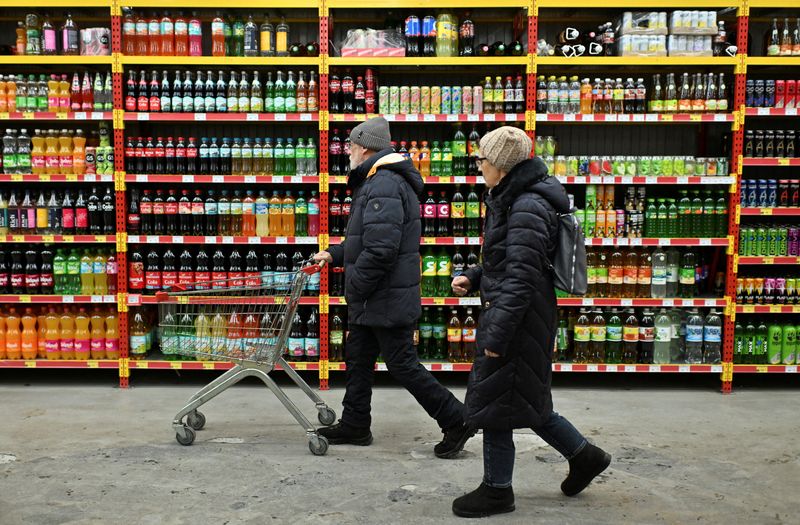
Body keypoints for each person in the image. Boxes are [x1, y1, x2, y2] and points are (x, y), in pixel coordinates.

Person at [450, 126, 611, 518]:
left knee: (496, 404)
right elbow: (509, 260)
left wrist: (497, 333)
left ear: (502, 165)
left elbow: (522, 278)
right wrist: (474, 275)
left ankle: (497, 491)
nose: (479, 166)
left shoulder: (526, 206)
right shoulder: (512, 198)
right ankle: (584, 456)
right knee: (526, 400)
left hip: (518, 319)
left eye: (482, 160)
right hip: (522, 313)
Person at [313, 117, 474, 458]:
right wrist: (335, 253)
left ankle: (456, 419)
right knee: (358, 358)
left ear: (365, 148)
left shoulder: (383, 184)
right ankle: (355, 423)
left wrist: (354, 285)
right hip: (376, 296)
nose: (348, 153)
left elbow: (381, 249)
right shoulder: (376, 181)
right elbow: (368, 239)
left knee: (402, 364)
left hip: (383, 295)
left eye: (352, 147)